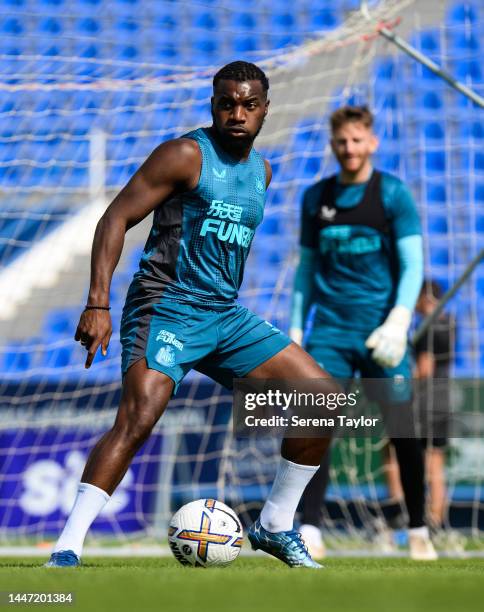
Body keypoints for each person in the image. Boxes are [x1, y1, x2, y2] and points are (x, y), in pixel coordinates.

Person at [45, 61, 336, 569]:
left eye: (249, 105)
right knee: (139, 417)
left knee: (326, 400)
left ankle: (274, 526)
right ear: (213, 106)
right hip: (166, 307)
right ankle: (67, 547)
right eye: (227, 104)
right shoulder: (184, 154)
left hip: (223, 314)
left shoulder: (262, 171)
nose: (237, 114)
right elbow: (116, 216)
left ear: (266, 110)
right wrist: (98, 302)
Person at [290, 105, 437, 560]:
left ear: (371, 142)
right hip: (329, 332)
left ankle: (418, 530)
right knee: (313, 424)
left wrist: (398, 320)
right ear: (333, 145)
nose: (349, 149)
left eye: (357, 140)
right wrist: (296, 327)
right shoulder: (316, 198)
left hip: (382, 333)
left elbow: (413, 265)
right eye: (341, 142)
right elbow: (306, 270)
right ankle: (309, 528)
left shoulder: (392, 195)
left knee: (404, 431)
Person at [384, 279, 455, 532]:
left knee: (393, 450)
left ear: (424, 299)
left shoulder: (427, 326)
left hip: (425, 401)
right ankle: (436, 519)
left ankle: (398, 510)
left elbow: (425, 369)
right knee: (436, 462)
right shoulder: (450, 322)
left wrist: (401, 385)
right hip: (445, 398)